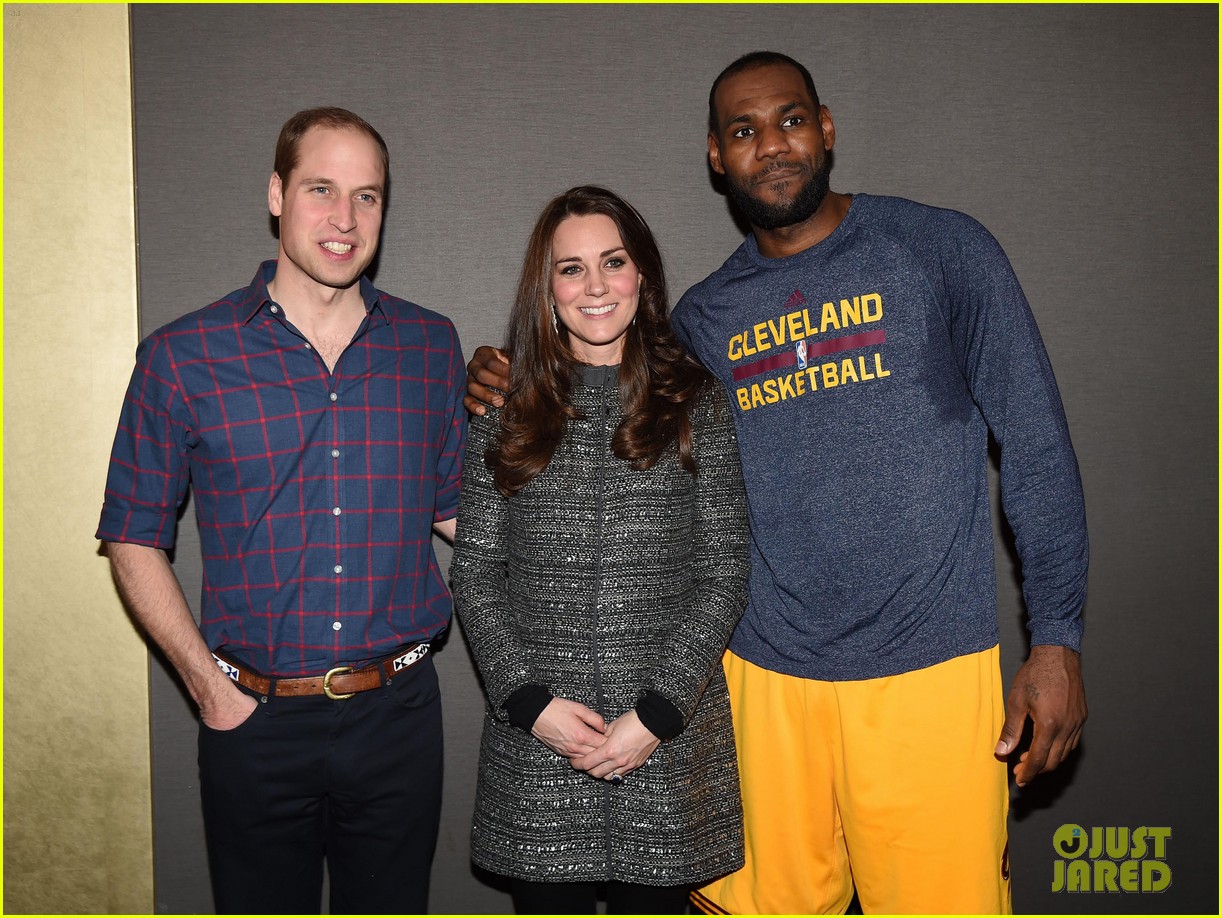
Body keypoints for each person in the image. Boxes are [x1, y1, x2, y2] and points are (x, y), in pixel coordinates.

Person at [464, 53, 1089, 915]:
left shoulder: (942, 251)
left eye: (790, 120)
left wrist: (1056, 639)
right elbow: (597, 415)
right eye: (743, 130)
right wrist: (510, 375)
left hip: (929, 672)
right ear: (716, 156)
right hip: (763, 684)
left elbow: (1038, 446)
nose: (771, 145)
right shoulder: (703, 320)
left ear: (825, 127)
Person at [96, 107, 466, 914]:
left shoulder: (430, 346)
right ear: (276, 194)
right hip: (252, 721)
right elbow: (131, 535)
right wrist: (210, 691)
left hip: (400, 716)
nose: (345, 219)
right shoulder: (182, 357)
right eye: (321, 189)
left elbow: (459, 515)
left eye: (367, 196)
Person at [450, 185, 750, 915]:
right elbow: (477, 572)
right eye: (571, 268)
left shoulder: (697, 402)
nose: (594, 286)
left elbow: (724, 570)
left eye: (612, 262)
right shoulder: (503, 411)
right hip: (538, 750)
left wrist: (659, 714)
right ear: (547, 288)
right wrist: (530, 704)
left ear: (641, 275)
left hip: (666, 749)